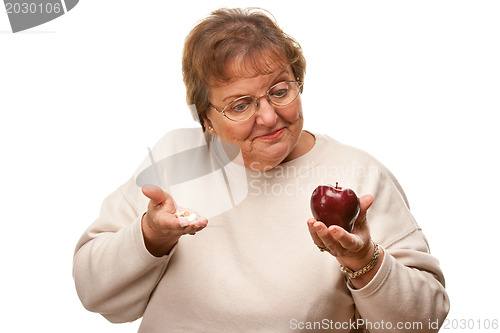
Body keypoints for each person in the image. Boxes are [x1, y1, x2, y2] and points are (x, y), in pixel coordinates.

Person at [73, 7, 449, 332]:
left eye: (281, 91)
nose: (269, 117)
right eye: (240, 105)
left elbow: (425, 320)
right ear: (206, 117)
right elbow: (94, 292)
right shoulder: (176, 156)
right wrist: (150, 236)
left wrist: (364, 261)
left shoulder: (359, 174)